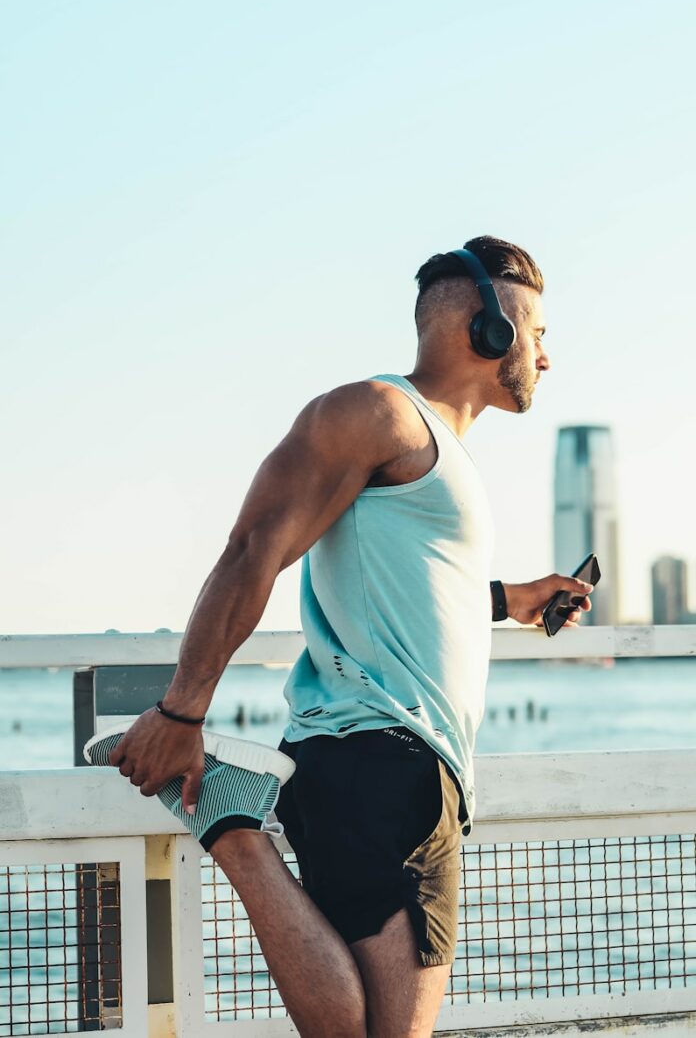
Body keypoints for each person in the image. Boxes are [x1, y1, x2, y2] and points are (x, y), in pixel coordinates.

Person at [91, 235, 593, 1038]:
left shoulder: (435, 452)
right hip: (390, 761)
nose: (546, 357)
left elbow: (404, 588)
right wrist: (182, 713)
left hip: (370, 759)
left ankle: (234, 828)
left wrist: (513, 598)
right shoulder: (379, 412)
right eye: (538, 335)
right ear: (487, 327)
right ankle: (235, 833)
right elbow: (256, 545)